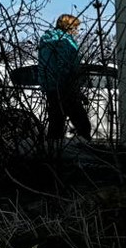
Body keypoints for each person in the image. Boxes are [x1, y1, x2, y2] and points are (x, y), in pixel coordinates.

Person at [37, 13, 90, 153]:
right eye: (75, 27)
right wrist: (72, 84)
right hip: (64, 86)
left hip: (51, 86)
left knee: (56, 122)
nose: (77, 30)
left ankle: (53, 154)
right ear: (69, 26)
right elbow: (64, 65)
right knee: (82, 123)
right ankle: (84, 153)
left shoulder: (47, 39)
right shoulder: (63, 40)